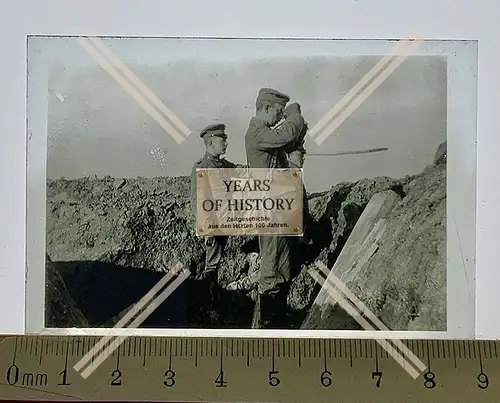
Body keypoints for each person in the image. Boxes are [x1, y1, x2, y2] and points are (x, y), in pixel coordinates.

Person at [244, 87, 307, 328]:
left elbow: (291, 142)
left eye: (283, 113)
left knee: (282, 264)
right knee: (271, 268)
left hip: (279, 208)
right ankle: (269, 324)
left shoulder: (266, 134)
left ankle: (278, 316)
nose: (280, 116)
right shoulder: (257, 133)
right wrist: (295, 115)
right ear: (266, 108)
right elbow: (289, 134)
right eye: (279, 111)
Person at [190, 123, 239, 325]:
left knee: (219, 262)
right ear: (210, 143)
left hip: (227, 222)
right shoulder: (201, 167)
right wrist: (207, 229)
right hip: (214, 226)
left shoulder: (226, 166)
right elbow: (198, 200)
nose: (226, 143)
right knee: (213, 264)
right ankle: (211, 306)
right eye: (222, 140)